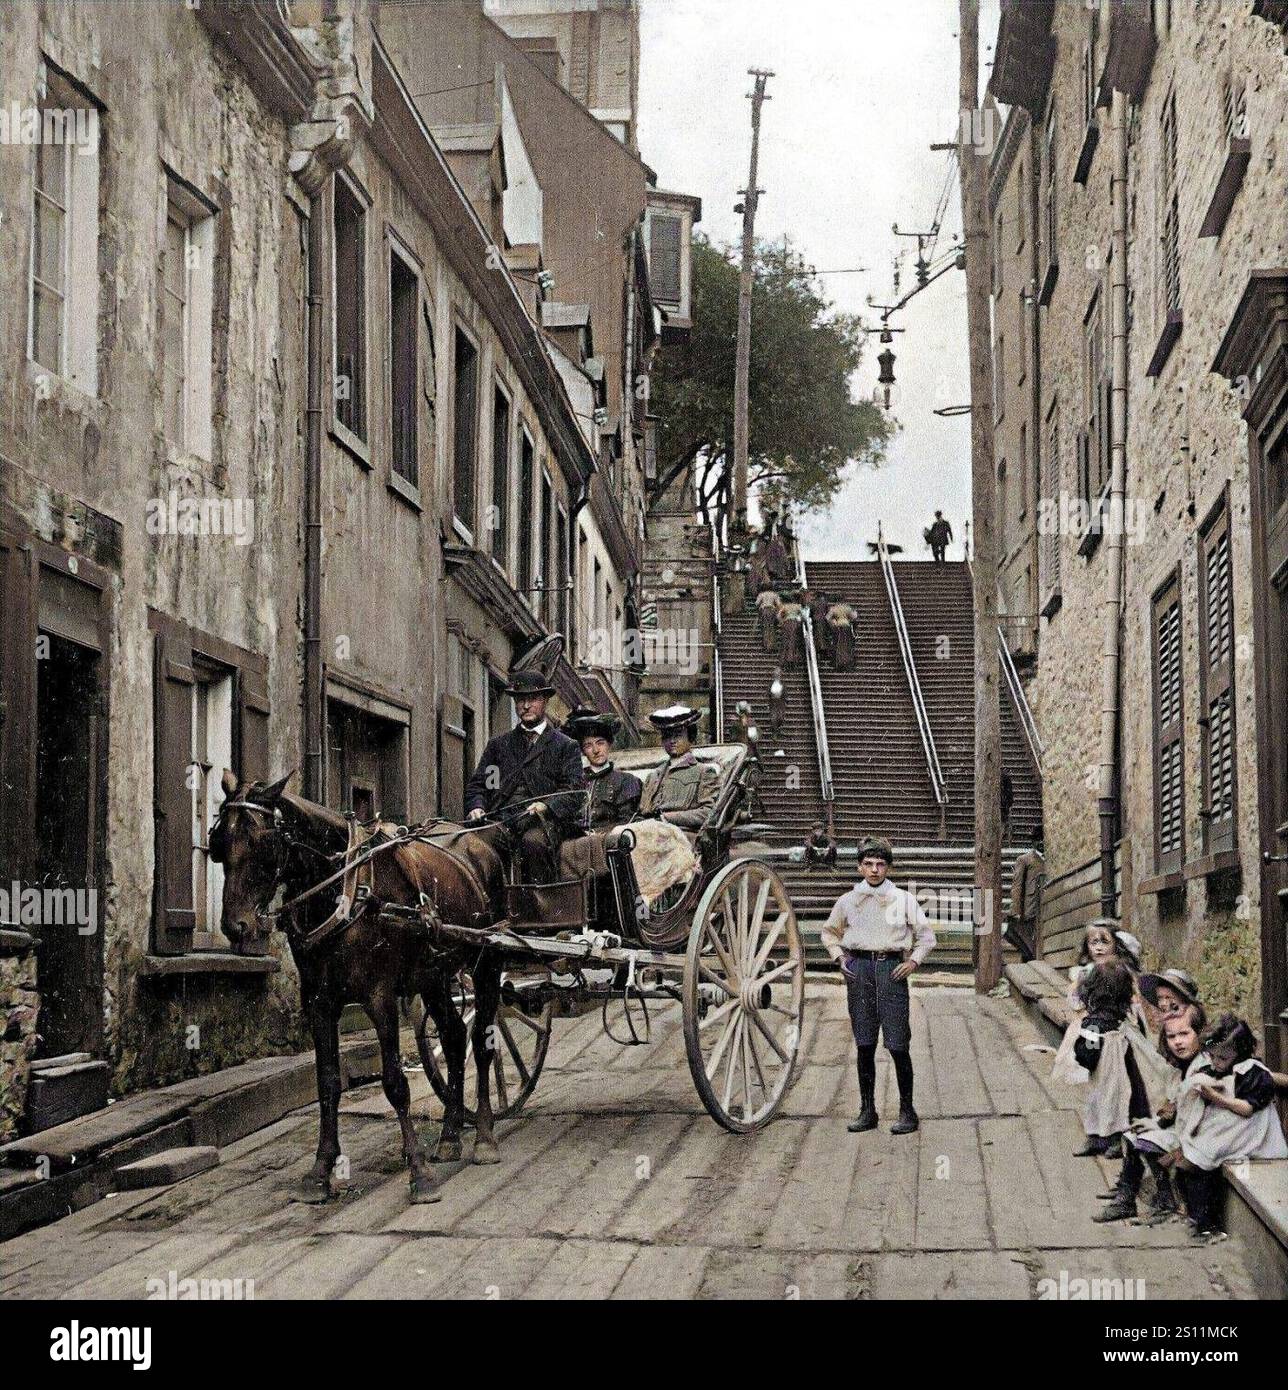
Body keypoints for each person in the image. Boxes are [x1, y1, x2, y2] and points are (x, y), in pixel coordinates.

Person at [821, 836, 936, 1136]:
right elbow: (829, 933)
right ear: (859, 867)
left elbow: (926, 936)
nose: (874, 870)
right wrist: (839, 958)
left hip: (890, 970)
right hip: (859, 971)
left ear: (888, 867)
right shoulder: (848, 901)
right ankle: (867, 1110)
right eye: (869, 864)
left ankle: (907, 1111)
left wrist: (913, 962)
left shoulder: (903, 900)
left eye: (881, 864)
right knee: (864, 1043)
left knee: (898, 1044)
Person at [464, 669, 585, 883]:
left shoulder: (565, 746)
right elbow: (483, 785)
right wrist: (477, 806)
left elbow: (573, 792)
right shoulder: (499, 746)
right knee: (476, 843)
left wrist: (546, 805)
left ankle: (542, 908)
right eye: (520, 700)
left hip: (544, 823)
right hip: (503, 821)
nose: (526, 705)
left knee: (533, 844)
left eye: (533, 699)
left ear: (545, 701)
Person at [1094, 1004, 1208, 1226]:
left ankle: (1168, 1202)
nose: (1178, 1042)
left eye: (1184, 1034)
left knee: (1147, 1141)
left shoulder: (1201, 1067)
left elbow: (1192, 1115)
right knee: (1133, 1134)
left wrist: (1159, 1127)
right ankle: (1126, 1198)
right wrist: (1155, 1122)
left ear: (1199, 1034)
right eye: (1171, 1036)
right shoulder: (1183, 1065)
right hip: (1183, 1125)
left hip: (1198, 1133)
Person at [1070, 958, 1173, 1162]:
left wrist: (1079, 1050)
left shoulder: (1093, 1024)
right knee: (1122, 1102)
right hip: (1127, 1071)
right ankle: (1114, 1138)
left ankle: (1101, 1137)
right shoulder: (1124, 1020)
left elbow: (1088, 1055)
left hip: (1103, 1073)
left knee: (1099, 1101)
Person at [637, 706, 721, 833]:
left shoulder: (704, 772)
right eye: (667, 736)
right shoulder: (654, 775)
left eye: (678, 735)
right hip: (650, 833)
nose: (672, 741)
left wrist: (666, 818)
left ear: (690, 737)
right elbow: (642, 812)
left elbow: (710, 813)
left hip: (683, 836)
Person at [564, 706, 641, 832]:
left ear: (609, 744)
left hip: (608, 843)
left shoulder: (627, 781)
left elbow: (627, 822)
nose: (596, 750)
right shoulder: (574, 781)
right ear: (583, 751)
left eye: (600, 743)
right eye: (588, 745)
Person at [1004, 823, 1044, 962]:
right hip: (1030, 908)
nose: (1041, 843)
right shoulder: (1025, 860)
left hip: (1044, 906)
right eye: (1038, 840)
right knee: (1027, 944)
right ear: (1033, 842)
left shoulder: (1050, 859)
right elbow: (1017, 886)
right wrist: (1015, 911)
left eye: (1043, 839)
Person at [826, 597, 858, 671]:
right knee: (847, 645)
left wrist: (833, 622)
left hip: (838, 627)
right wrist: (849, 620)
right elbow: (854, 616)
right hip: (846, 627)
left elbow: (827, 617)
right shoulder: (847, 608)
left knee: (838, 645)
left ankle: (839, 662)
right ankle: (847, 663)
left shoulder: (834, 608)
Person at [779, 591, 805, 667]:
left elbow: (779, 615)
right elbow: (803, 616)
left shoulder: (785, 606)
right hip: (795, 623)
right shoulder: (798, 606)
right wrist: (800, 622)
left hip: (786, 623)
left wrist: (782, 622)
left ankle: (785, 659)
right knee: (794, 640)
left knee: (786, 641)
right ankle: (792, 658)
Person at [807, 589, 834, 662]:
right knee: (824, 636)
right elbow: (828, 611)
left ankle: (821, 650)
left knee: (818, 636)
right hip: (823, 620)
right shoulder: (824, 603)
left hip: (816, 620)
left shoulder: (813, 603)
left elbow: (810, 612)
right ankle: (825, 650)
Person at [755, 585, 783, 654]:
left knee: (765, 629)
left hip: (764, 611)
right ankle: (772, 646)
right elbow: (779, 604)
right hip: (772, 611)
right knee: (772, 628)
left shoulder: (761, 594)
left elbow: (756, 603)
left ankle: (766, 646)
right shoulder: (774, 594)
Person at [767, 665, 786, 737]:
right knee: (774, 717)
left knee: (780, 717)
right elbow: (768, 693)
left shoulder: (782, 684)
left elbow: (785, 693)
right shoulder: (771, 684)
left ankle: (778, 729)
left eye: (778, 674)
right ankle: (775, 732)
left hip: (780, 703)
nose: (777, 675)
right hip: (773, 702)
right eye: (776, 674)